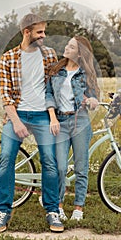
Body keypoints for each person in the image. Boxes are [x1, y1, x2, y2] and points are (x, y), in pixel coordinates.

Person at [0, 13, 64, 233]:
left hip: (43, 115)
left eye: (44, 31)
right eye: (39, 32)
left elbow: (58, 85)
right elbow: (6, 96)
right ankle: (3, 210)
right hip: (18, 115)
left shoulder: (50, 55)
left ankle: (52, 210)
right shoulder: (9, 58)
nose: (44, 36)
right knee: (6, 158)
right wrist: (16, 122)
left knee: (49, 162)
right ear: (27, 32)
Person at [46, 36, 100, 221]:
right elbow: (49, 95)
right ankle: (59, 205)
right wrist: (53, 117)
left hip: (80, 122)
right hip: (59, 122)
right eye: (67, 44)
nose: (66, 47)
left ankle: (78, 207)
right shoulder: (56, 70)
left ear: (80, 52)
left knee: (80, 167)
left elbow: (94, 98)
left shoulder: (86, 74)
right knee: (60, 167)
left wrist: (93, 101)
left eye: (71, 46)